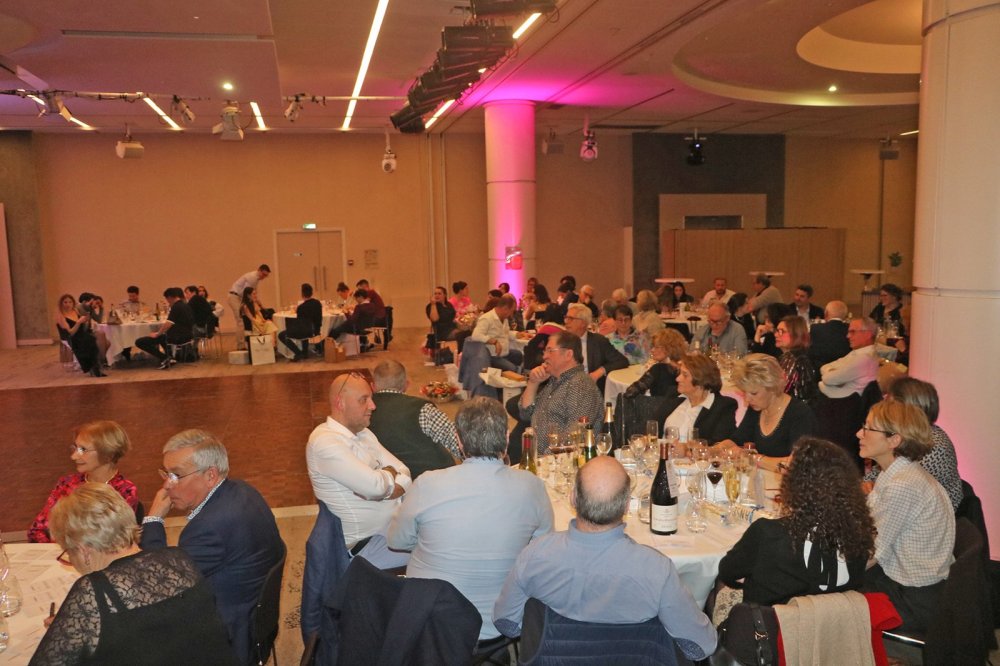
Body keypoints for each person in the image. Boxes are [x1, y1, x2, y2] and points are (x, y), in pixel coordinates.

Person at [493, 456, 717, 661]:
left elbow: (506, 624)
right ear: (626, 505)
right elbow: (700, 647)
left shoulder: (535, 556)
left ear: (573, 497)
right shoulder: (657, 571)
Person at [387, 398, 553, 644]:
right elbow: (544, 551)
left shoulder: (427, 483)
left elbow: (396, 541)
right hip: (500, 623)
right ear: (507, 438)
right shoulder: (533, 486)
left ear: (459, 440)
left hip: (432, 622)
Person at [30, 484, 239, 666]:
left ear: (84, 550)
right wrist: (75, 623)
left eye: (68, 552)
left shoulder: (93, 591)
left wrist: (73, 627)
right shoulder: (179, 559)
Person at [140, 429, 284, 665]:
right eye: (165, 473)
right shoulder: (243, 491)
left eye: (176, 475)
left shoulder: (208, 528)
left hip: (231, 639)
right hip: (256, 620)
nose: (166, 485)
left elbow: (157, 581)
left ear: (210, 475)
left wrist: (154, 520)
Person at [717, 438, 875, 608]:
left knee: (719, 590)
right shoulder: (859, 533)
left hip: (772, 622)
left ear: (795, 483)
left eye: (785, 469)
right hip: (833, 622)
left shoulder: (768, 532)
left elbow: (727, 573)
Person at [858, 401, 954, 633]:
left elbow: (870, 553)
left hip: (912, 598)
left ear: (894, 440)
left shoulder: (902, 485)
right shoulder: (896, 472)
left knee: (825, 601)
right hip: (901, 580)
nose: (859, 434)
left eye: (868, 428)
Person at [306, 372, 411, 569]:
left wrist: (384, 483)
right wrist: (387, 480)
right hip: (365, 549)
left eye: (371, 398)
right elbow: (375, 487)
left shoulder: (364, 433)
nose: (373, 406)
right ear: (340, 403)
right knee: (442, 549)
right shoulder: (324, 442)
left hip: (391, 532)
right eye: (364, 400)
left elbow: (404, 471)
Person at [29, 421, 138, 543]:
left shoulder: (124, 490)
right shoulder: (67, 484)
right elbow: (37, 530)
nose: (74, 456)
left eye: (83, 449)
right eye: (75, 448)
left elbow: (114, 540)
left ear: (108, 454)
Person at [865, 377, 962, 511]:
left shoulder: (930, 447)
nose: (885, 407)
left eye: (890, 403)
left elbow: (894, 493)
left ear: (908, 410)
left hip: (920, 518)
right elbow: (875, 479)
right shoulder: (911, 435)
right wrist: (866, 484)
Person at [716, 354, 818, 466]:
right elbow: (737, 440)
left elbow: (797, 463)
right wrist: (713, 450)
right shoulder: (756, 408)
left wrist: (753, 458)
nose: (747, 399)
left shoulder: (800, 414)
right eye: (744, 392)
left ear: (772, 387)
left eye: (754, 393)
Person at [369, 359, 460, 478]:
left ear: (372, 386)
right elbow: (457, 442)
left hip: (387, 480)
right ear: (406, 385)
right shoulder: (423, 409)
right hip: (433, 478)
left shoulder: (363, 411)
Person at [518, 330, 603, 455]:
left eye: (550, 351)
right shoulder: (555, 381)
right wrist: (533, 383)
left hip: (561, 461)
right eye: (545, 351)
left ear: (568, 354)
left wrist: (541, 460)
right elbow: (525, 414)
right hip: (539, 456)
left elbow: (575, 438)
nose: (544, 356)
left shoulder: (581, 385)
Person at [661, 354, 738, 444]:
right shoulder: (674, 397)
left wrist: (687, 449)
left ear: (700, 380)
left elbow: (720, 444)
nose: (678, 379)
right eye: (679, 373)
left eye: (685, 375)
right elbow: (653, 429)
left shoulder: (723, 406)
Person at [562, 303, 628, 392]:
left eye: (570, 318)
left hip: (591, 390)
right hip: (566, 390)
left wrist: (600, 371)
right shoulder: (560, 341)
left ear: (583, 323)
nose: (566, 321)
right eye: (566, 318)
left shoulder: (598, 341)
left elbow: (622, 361)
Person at [134, 287, 194, 369]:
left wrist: (157, 333)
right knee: (163, 337)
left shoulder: (176, 307)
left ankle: (165, 358)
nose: (167, 301)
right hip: (187, 335)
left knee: (139, 342)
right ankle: (169, 357)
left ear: (169, 297)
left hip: (177, 337)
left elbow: (169, 323)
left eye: (167, 299)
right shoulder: (186, 305)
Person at [818, 317, 879, 398]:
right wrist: (833, 373)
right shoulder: (856, 353)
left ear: (867, 335)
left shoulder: (865, 358)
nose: (848, 336)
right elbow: (824, 367)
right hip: (832, 399)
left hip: (840, 403)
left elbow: (827, 379)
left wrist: (833, 375)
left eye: (852, 332)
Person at [623, 327, 687, 399]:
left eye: (657, 347)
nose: (652, 350)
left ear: (669, 349)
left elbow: (630, 393)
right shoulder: (685, 368)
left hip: (659, 405)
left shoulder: (658, 369)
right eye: (653, 346)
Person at [470, 293, 523, 372]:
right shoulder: (487, 318)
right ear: (505, 308)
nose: (511, 315)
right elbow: (475, 335)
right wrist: (494, 341)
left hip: (504, 352)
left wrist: (518, 334)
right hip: (493, 356)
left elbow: (506, 333)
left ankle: (515, 373)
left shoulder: (504, 319)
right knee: (513, 369)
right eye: (511, 311)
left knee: (519, 355)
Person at [55, 293, 104, 377]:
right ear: (61, 304)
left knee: (93, 339)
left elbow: (85, 324)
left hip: (80, 334)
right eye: (65, 302)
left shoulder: (75, 311)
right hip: (71, 337)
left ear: (73, 303)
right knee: (87, 341)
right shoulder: (61, 316)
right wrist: (78, 322)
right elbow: (70, 332)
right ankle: (93, 367)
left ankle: (95, 366)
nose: (68, 304)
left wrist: (85, 320)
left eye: (70, 302)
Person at [775, 315, 818, 403]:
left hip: (792, 407)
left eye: (782, 331)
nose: (776, 335)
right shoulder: (802, 354)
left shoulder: (792, 358)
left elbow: (780, 390)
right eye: (777, 331)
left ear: (796, 334)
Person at [227, 264, 271, 347]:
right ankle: (240, 346)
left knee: (245, 319)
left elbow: (253, 295)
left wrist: (261, 306)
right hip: (234, 297)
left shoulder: (256, 279)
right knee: (240, 321)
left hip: (239, 297)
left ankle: (247, 343)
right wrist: (259, 306)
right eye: (263, 274)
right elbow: (248, 294)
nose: (264, 277)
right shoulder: (252, 277)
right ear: (259, 270)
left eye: (266, 276)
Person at [277, 282, 323, 361]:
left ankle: (298, 352)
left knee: (281, 335)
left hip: (306, 331)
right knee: (305, 328)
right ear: (312, 293)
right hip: (316, 329)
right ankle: (305, 352)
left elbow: (301, 324)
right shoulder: (318, 303)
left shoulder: (301, 307)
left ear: (302, 294)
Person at [807, 300, 851, 373]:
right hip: (844, 370)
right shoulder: (850, 329)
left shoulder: (815, 328)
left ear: (826, 313)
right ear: (845, 316)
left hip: (819, 370)